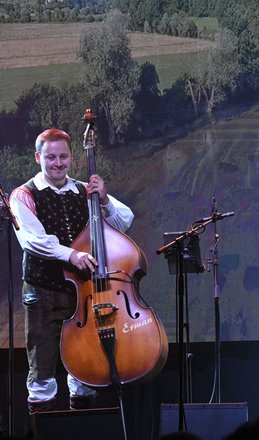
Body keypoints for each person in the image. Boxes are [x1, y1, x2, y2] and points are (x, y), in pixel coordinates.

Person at [9, 128, 134, 414]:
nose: (57, 163)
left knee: (84, 370)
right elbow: (33, 241)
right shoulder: (23, 195)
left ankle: (81, 428)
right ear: (38, 157)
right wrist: (72, 254)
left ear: (71, 157)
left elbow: (124, 221)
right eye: (51, 157)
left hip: (82, 294)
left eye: (63, 156)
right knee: (42, 372)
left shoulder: (83, 190)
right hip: (43, 293)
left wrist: (103, 198)